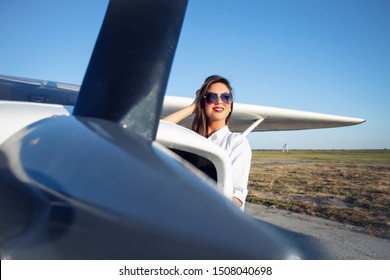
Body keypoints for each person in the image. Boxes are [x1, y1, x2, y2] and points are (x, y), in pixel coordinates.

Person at [163, 75, 252, 209]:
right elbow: (157, 130)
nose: (219, 101)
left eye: (226, 97)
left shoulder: (237, 142)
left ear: (230, 106)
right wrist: (192, 107)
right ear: (203, 102)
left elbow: (238, 196)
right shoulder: (190, 140)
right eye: (212, 97)